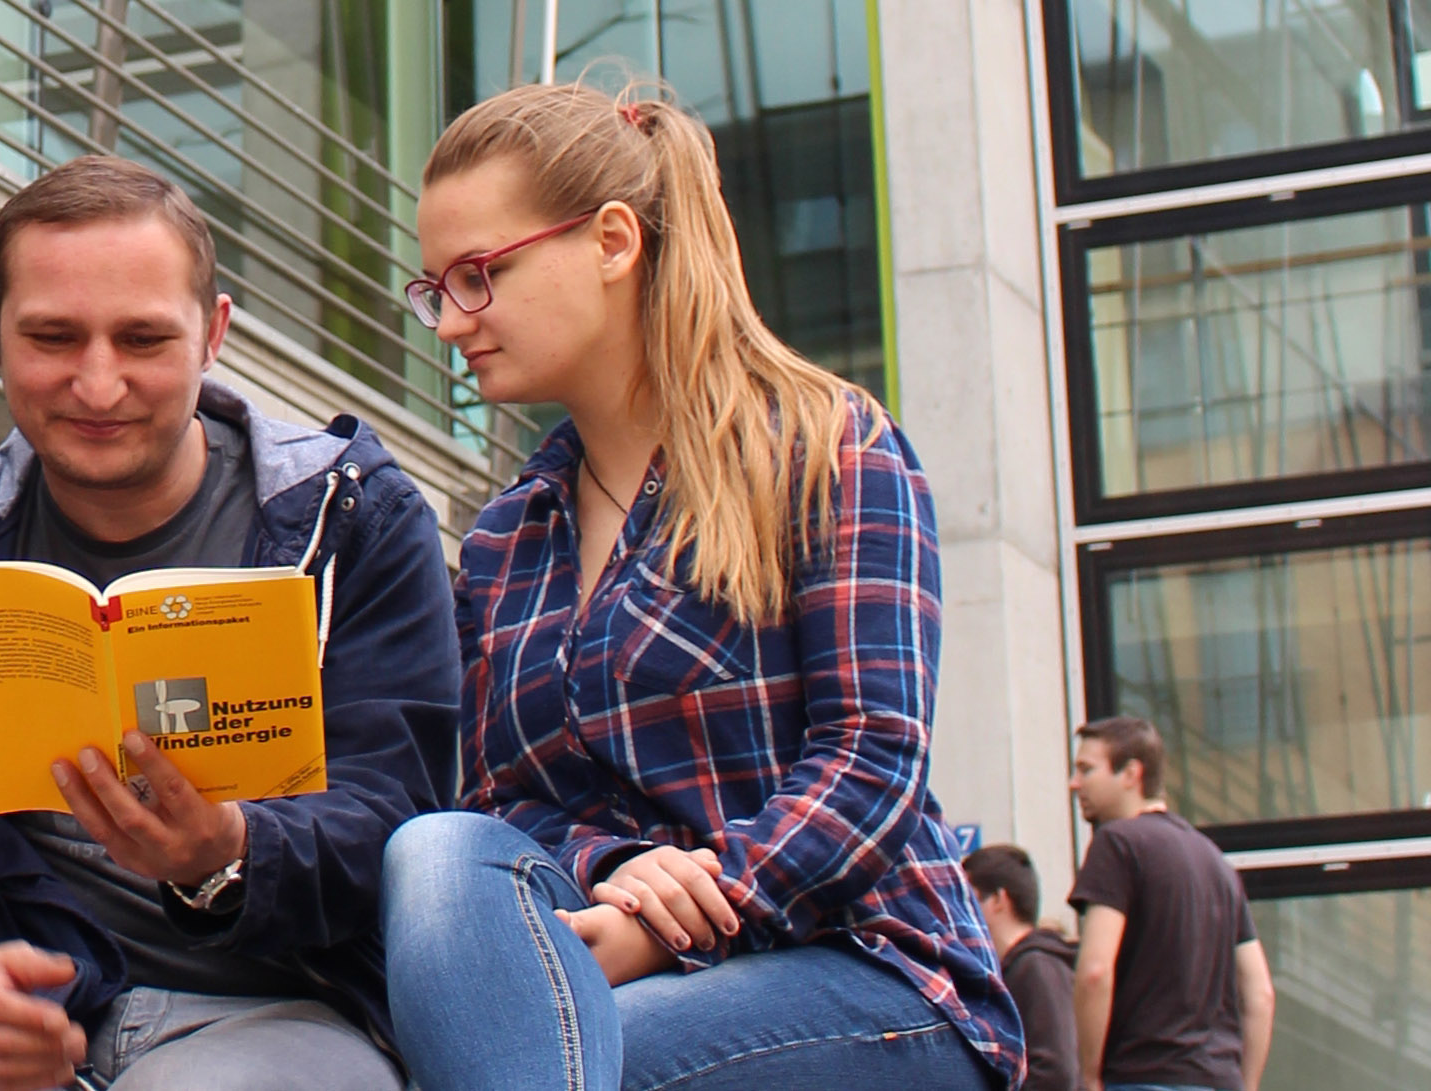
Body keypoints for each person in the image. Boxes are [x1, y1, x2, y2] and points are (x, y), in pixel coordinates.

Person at [373, 81, 1024, 1090]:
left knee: (589, 1067)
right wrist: (609, 868)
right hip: (623, 965)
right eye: (435, 289)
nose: (452, 323)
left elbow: (874, 757)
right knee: (441, 845)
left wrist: (680, 912)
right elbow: (506, 799)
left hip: (870, 969)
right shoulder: (508, 535)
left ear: (612, 241)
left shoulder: (826, 446)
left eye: (479, 275)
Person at [0, 154, 462, 1091]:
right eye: (52, 336)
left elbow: (401, 814)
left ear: (214, 334)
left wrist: (233, 854)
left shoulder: (354, 518)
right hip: (29, 1022)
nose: (97, 382)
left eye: (142, 340)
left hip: (286, 1011)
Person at [1066, 716, 1275, 1091]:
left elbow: (1095, 970)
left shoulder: (1117, 844)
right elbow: (1260, 994)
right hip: (1218, 1079)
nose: (1074, 783)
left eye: (1086, 769)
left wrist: (1090, 1077)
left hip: (1142, 1077)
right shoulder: (1216, 863)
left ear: (1131, 773)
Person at [965, 845, 1077, 1091]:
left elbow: (1055, 1072)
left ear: (998, 900)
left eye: (967, 898)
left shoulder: (1036, 967)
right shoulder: (1026, 966)